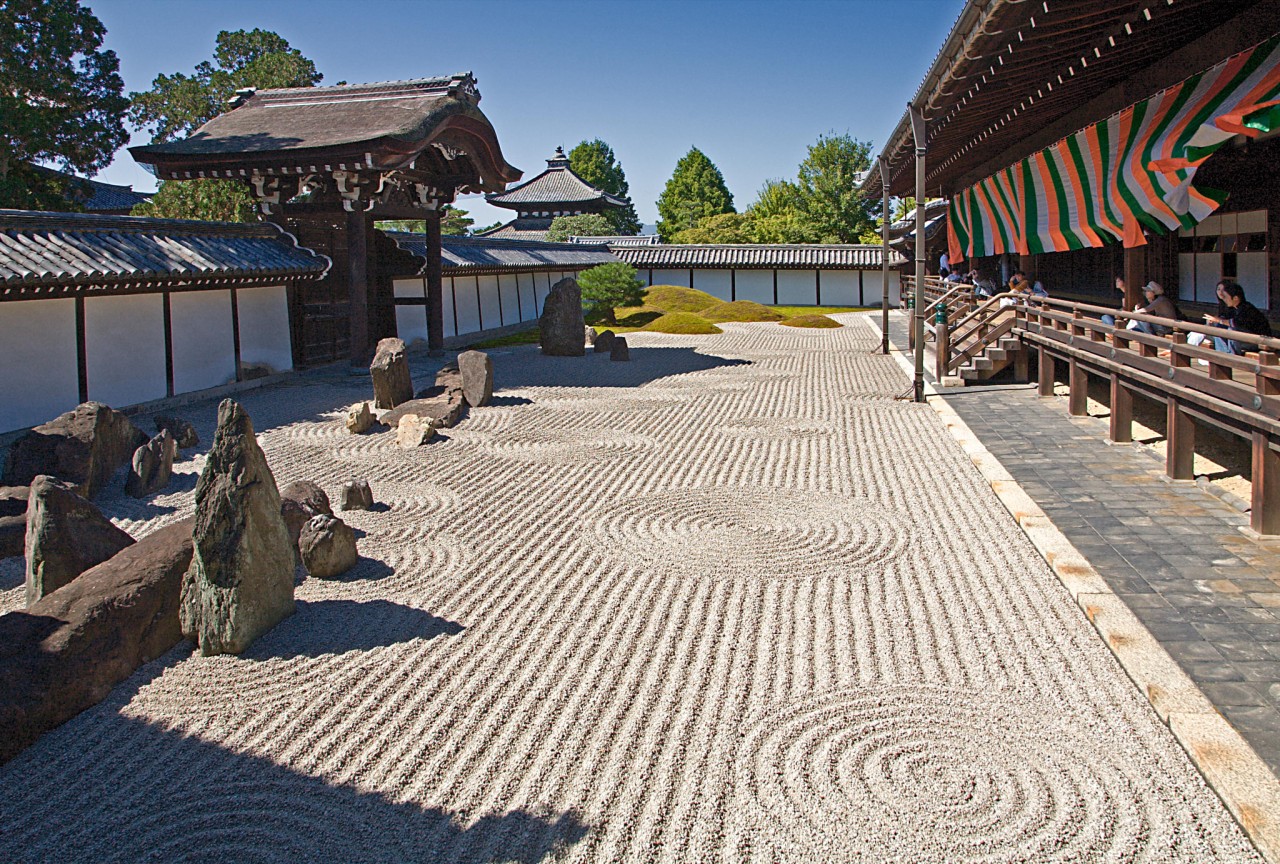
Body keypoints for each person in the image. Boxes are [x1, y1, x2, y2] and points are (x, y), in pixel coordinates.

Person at [1210, 282, 1271, 354]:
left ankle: (1232, 356)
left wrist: (1219, 320)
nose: (1224, 300)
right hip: (1245, 339)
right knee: (1219, 327)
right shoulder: (1233, 308)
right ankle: (1222, 354)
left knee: (1232, 330)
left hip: (1257, 342)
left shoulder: (1247, 308)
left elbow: (1236, 323)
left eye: (1226, 297)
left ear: (1235, 298)